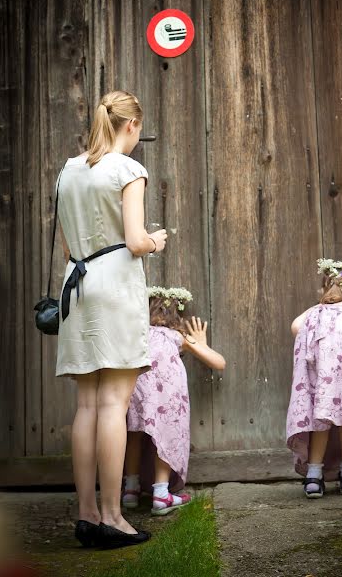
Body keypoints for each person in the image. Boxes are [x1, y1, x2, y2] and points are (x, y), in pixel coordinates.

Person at [55, 91, 168, 548]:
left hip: (77, 285)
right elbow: (137, 240)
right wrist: (158, 241)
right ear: (132, 126)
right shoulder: (128, 169)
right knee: (114, 405)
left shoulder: (68, 169)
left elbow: (67, 246)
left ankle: (85, 515)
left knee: (86, 405)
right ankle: (112, 517)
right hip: (115, 284)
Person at [123, 287, 226, 515]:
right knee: (165, 436)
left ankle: (130, 490)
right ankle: (161, 495)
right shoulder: (178, 336)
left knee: (134, 435)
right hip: (168, 395)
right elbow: (219, 363)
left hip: (137, 389)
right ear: (176, 315)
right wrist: (202, 344)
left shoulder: (136, 332)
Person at [286, 258, 342, 499]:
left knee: (321, 424)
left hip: (321, 378)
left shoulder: (316, 311)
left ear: (326, 290)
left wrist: (320, 313)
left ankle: (313, 478)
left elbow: (296, 327)